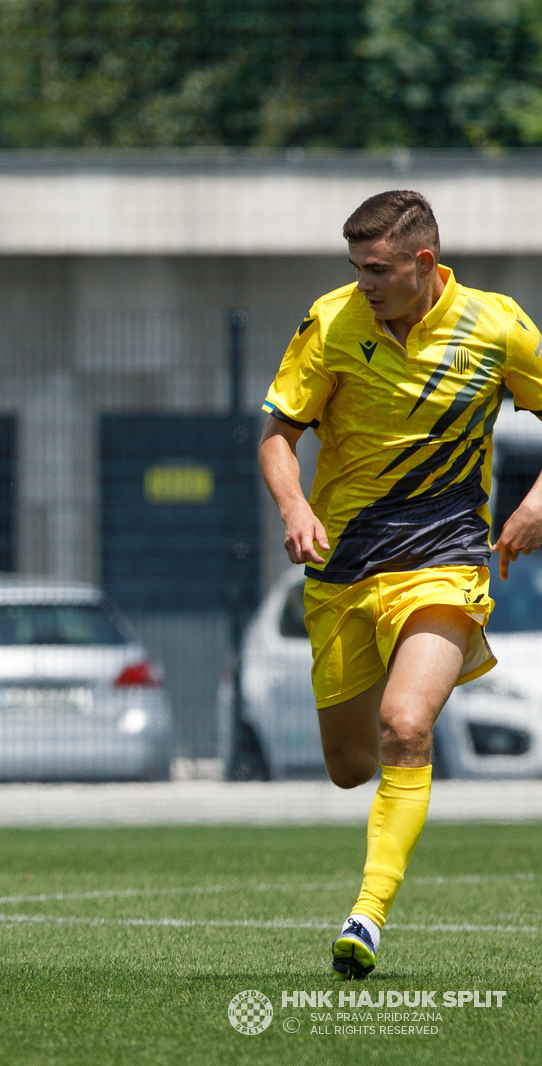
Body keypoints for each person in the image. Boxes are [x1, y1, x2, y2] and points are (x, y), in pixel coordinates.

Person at [259, 190, 542, 978]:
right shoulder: (333, 321)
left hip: (445, 561)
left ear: (423, 263)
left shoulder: (496, 325)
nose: (363, 283)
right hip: (342, 570)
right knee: (351, 766)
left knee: (407, 725)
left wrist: (535, 506)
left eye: (376, 269)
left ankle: (367, 916)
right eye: (354, 268)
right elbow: (278, 438)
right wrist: (293, 507)